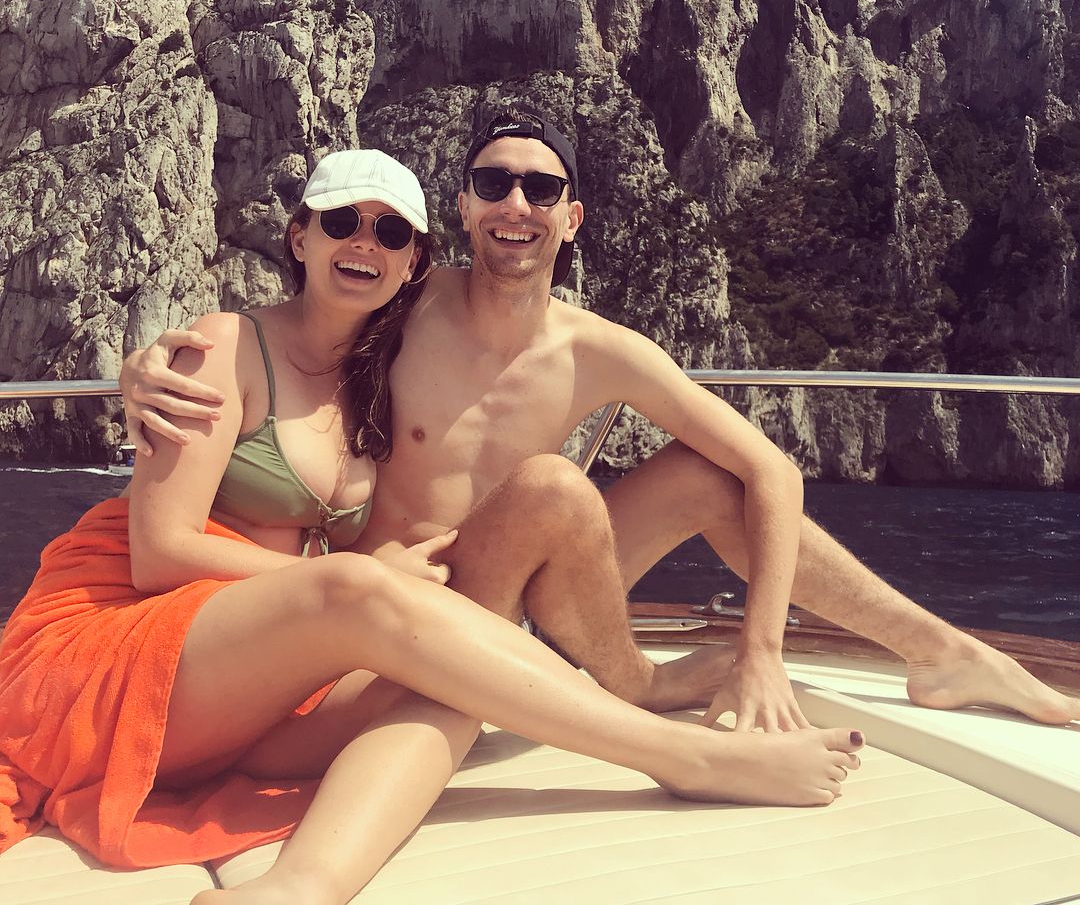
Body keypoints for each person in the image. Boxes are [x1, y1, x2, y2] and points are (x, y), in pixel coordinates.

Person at [0, 149, 866, 905]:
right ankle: (685, 759)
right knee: (356, 586)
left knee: (454, 676)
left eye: (389, 232)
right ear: (298, 237)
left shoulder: (376, 368)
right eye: (341, 222)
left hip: (257, 684)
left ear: (414, 261)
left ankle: (304, 887)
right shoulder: (223, 346)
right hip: (122, 645)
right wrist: (143, 365)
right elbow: (159, 555)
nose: (364, 244)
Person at [122, 113, 1080, 730]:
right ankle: (639, 684)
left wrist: (763, 654)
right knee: (554, 485)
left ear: (571, 219)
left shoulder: (603, 351)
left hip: (530, 592)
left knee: (707, 475)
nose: (516, 205)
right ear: (461, 208)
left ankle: (945, 653)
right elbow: (297, 325)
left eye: (541, 190)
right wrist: (150, 365)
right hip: (405, 601)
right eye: (493, 184)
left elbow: (774, 471)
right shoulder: (406, 295)